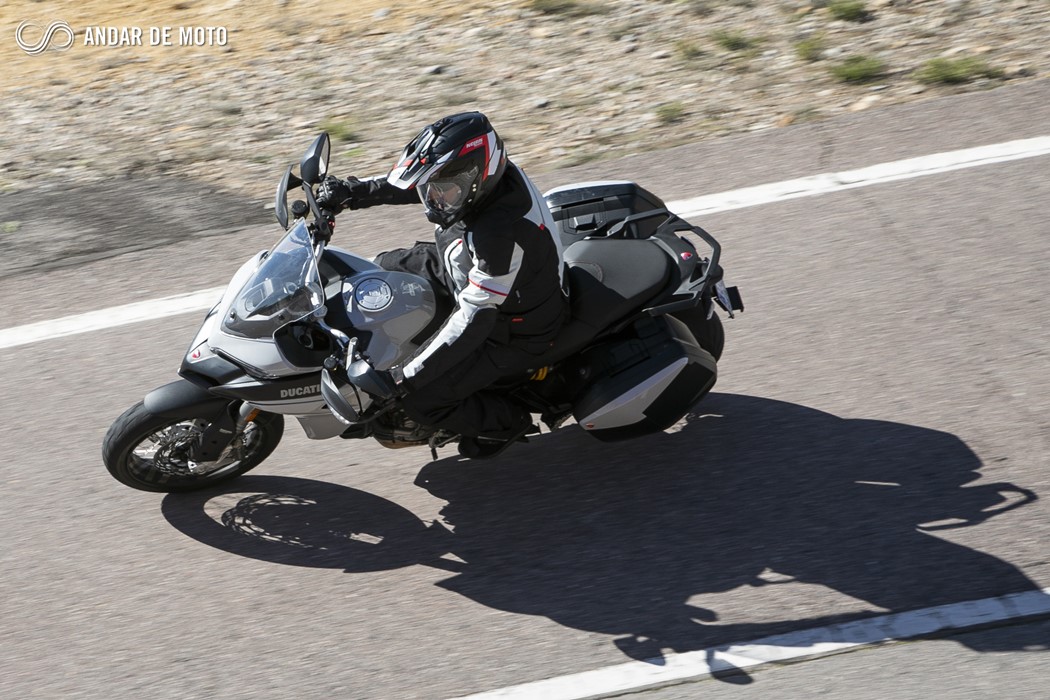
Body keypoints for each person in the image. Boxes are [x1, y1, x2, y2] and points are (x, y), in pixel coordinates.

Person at [317, 112, 568, 458]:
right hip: (460, 266)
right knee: (377, 271)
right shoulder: (481, 181)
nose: (433, 199)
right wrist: (352, 193)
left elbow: (474, 319)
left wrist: (403, 376)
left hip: (512, 328)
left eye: (442, 190)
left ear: (476, 179)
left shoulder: (500, 234)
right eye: (430, 189)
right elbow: (417, 183)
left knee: (422, 398)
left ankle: (503, 426)